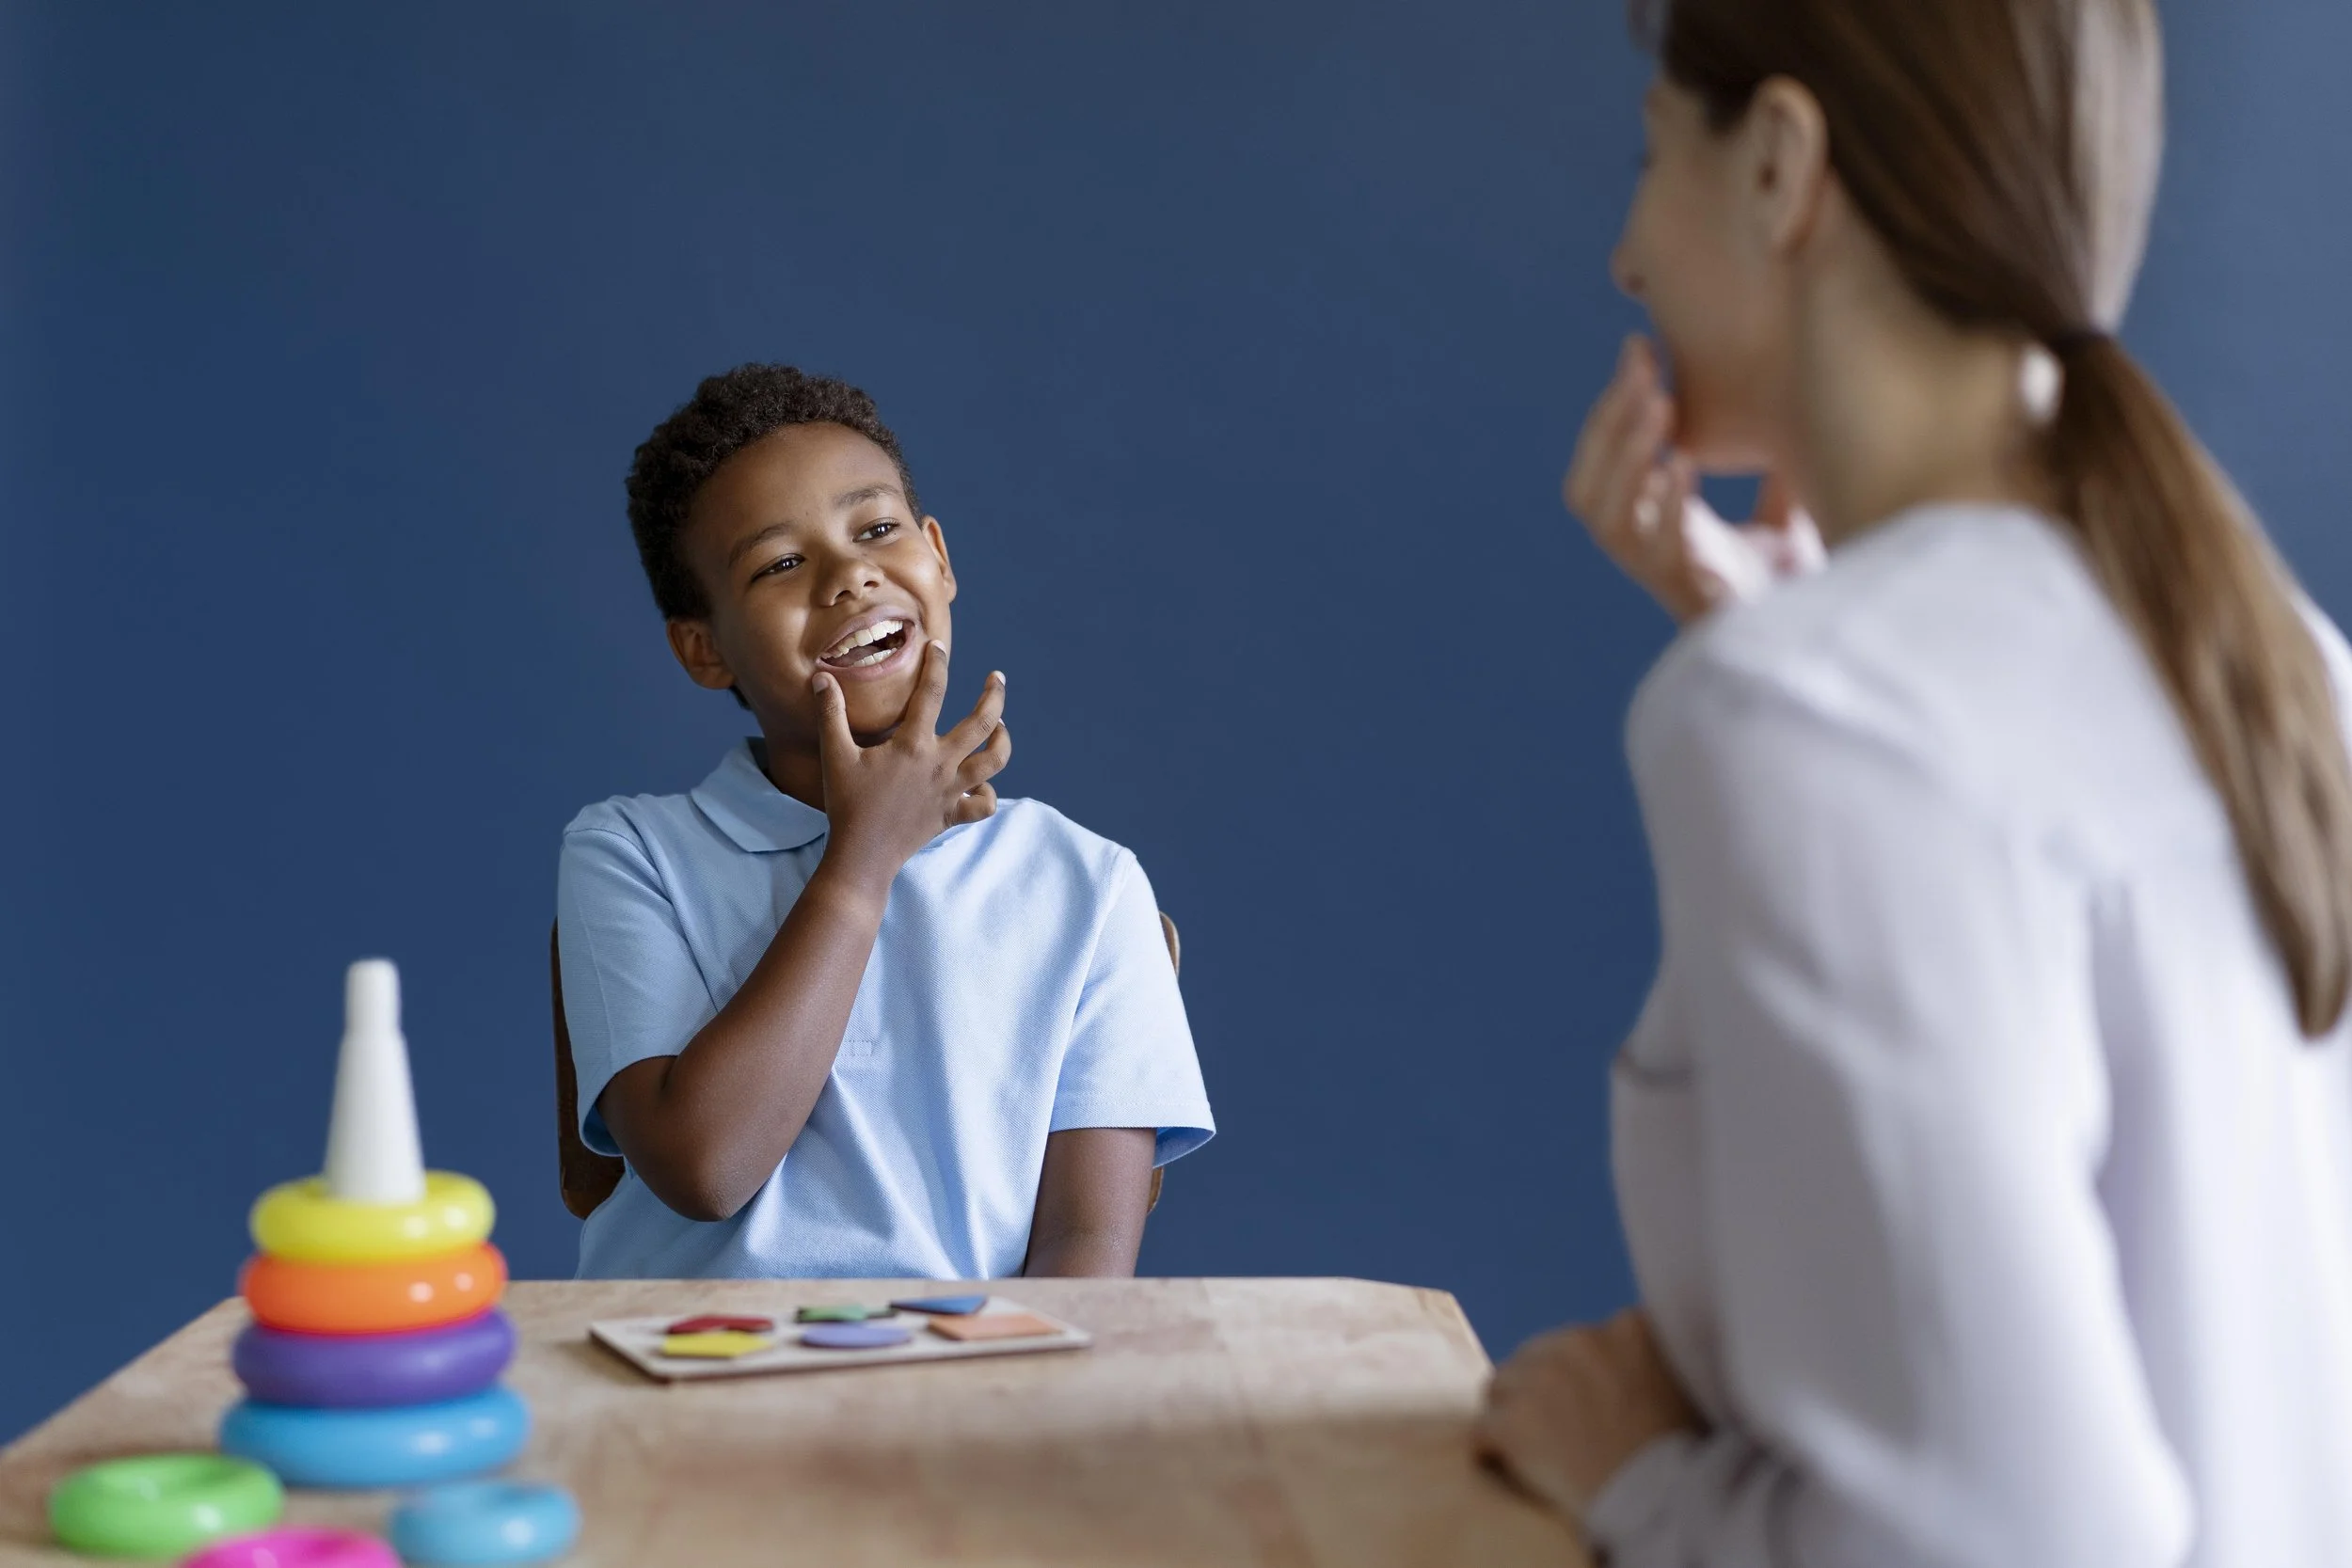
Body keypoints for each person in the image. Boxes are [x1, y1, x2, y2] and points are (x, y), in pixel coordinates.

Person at [1474, 2, 2352, 1564]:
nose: (1624, 253)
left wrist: (1638, 1479)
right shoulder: (2289, 658)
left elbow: (2014, 1535)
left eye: (1651, 158)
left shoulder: (1807, 717)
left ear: (1780, 170)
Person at [556, 364, 1214, 1281]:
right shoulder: (630, 852)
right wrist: (862, 861)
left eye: (875, 529)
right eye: (781, 563)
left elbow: (1085, 1254)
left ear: (937, 559)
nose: (849, 573)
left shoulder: (1088, 884)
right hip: (684, 1392)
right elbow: (705, 1167)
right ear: (703, 648)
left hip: (963, 1397)